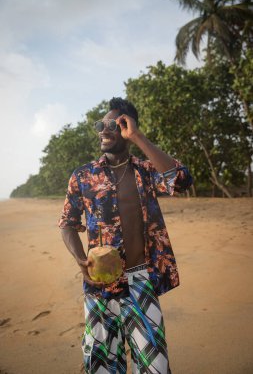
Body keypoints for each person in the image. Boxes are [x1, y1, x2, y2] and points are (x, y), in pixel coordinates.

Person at [59, 97, 192, 374]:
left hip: (141, 282)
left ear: (127, 128)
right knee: (103, 367)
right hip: (100, 287)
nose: (103, 130)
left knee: (155, 365)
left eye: (112, 124)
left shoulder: (145, 171)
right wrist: (80, 259)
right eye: (100, 124)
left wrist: (139, 137)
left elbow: (181, 180)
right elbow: (67, 223)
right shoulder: (83, 176)